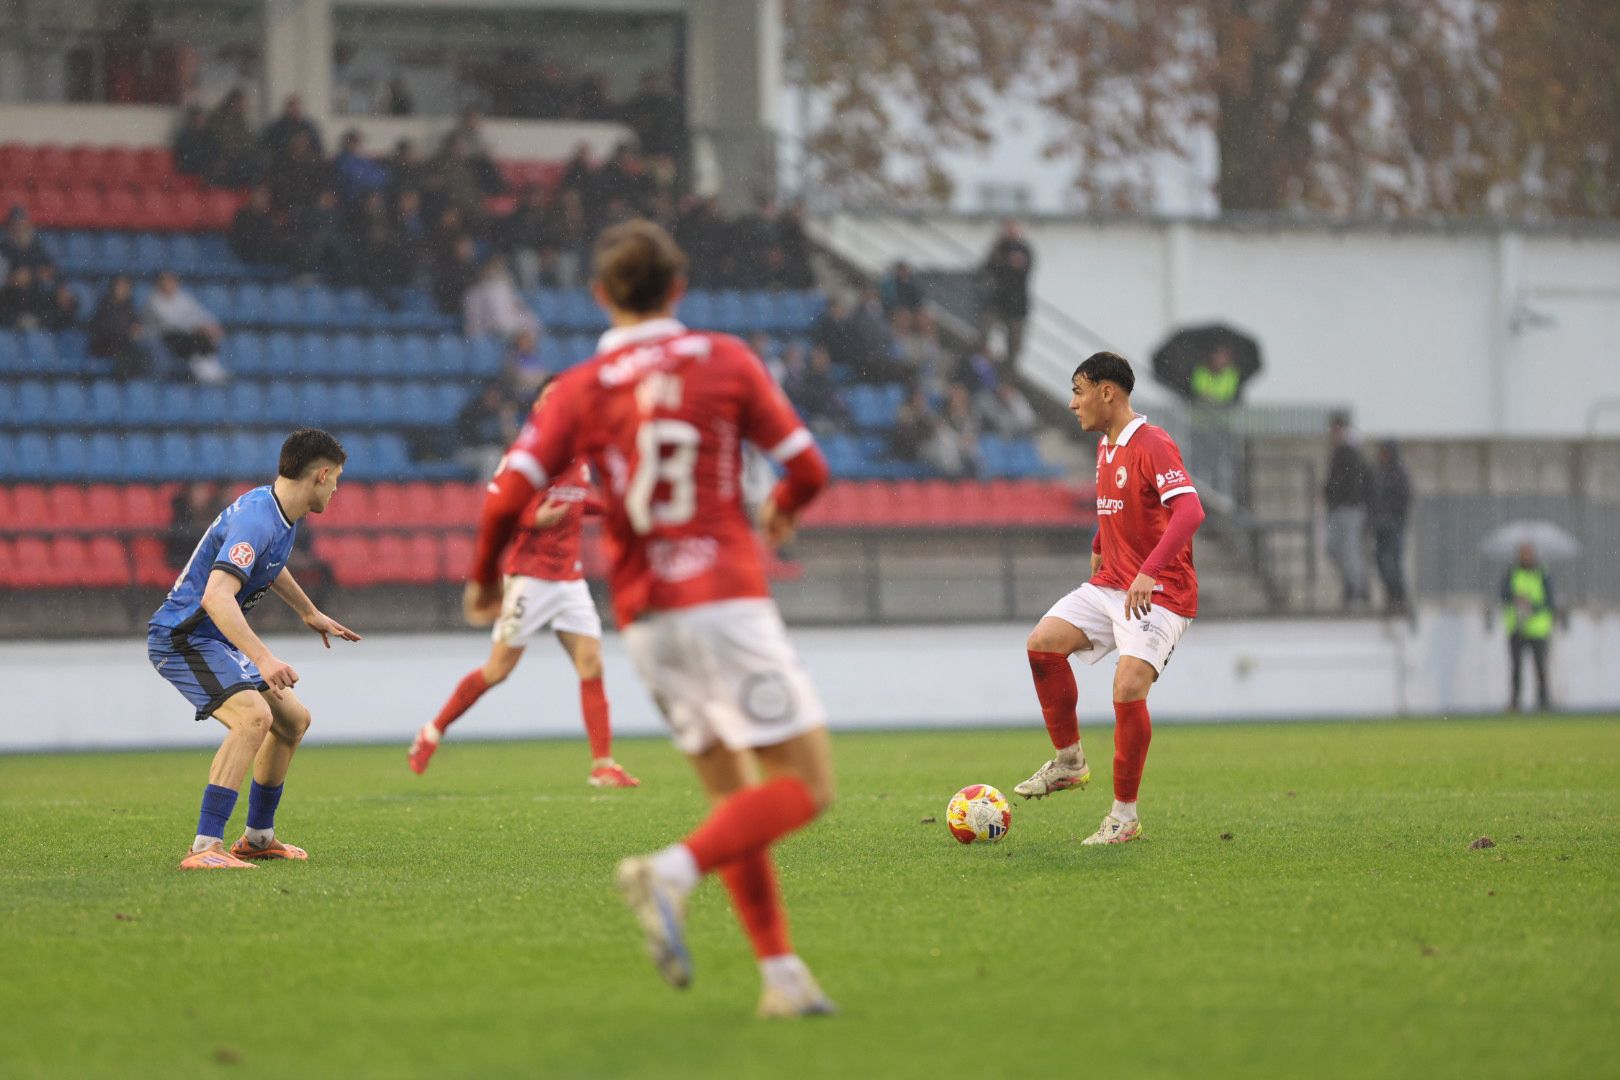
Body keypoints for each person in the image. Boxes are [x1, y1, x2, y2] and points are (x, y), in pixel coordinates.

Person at [464, 220, 836, 1018]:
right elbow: (809, 466)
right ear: (679, 287)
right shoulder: (726, 358)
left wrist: (482, 582)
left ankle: (781, 977)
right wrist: (781, 507)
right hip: (726, 599)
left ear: (600, 295)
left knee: (734, 803)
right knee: (807, 784)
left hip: (647, 619)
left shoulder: (581, 385)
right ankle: (669, 873)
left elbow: (507, 490)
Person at [147, 429, 360, 870]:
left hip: (214, 637)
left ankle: (259, 838)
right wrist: (264, 658)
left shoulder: (277, 513)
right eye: (336, 478)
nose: (337, 488)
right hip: (184, 637)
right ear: (321, 475)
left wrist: (308, 612)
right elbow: (216, 597)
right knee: (254, 717)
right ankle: (205, 847)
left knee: (292, 719)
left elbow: (271, 565)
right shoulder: (258, 519)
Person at [1016, 351, 1206, 846]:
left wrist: (1149, 570)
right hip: (1113, 585)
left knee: (1126, 689)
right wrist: (1100, 545)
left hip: (1159, 593)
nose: (1072, 402)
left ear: (1107, 393)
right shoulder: (1106, 447)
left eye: (1079, 391)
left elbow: (1189, 512)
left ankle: (1124, 817)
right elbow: (1118, 508)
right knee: (1043, 644)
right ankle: (1070, 761)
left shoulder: (1154, 443)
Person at [410, 380, 639, 788]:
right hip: (529, 580)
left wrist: (614, 510)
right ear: (539, 407)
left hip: (569, 580)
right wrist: (535, 520)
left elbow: (578, 498)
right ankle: (432, 731)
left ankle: (603, 764)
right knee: (498, 671)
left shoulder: (580, 458)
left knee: (592, 665)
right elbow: (500, 509)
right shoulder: (524, 457)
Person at [145, 270, 228, 384]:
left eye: (171, 281)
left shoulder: (183, 298)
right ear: (159, 283)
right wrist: (196, 328)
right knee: (193, 339)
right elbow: (169, 322)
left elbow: (198, 313)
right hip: (164, 337)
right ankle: (202, 372)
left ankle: (211, 370)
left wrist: (210, 325)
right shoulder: (154, 300)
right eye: (165, 281)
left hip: (186, 334)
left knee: (203, 338)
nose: (169, 284)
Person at [1323, 413, 1371, 608]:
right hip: (1339, 508)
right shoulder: (1339, 452)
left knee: (1350, 550)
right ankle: (1353, 585)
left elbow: (1351, 482)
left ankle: (1358, 588)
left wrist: (1341, 497)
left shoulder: (1351, 452)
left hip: (1350, 509)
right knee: (1334, 548)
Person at [1502, 543, 1555, 713]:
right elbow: (1503, 594)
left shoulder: (1542, 573)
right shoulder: (1512, 573)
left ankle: (1544, 702)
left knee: (1540, 667)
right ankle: (1515, 702)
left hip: (1538, 628)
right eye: (1523, 554)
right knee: (1516, 668)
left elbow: (1549, 600)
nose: (1525, 557)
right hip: (1517, 627)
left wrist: (1533, 606)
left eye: (1528, 554)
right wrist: (1516, 599)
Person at [1367, 440, 1412, 617]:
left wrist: (1394, 518)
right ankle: (1392, 595)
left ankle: (1398, 596)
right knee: (1380, 561)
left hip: (1394, 526)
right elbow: (1370, 498)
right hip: (1380, 527)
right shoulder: (1377, 473)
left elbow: (1404, 499)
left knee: (1394, 563)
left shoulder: (1399, 474)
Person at [982, 219, 1033, 367]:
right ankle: (986, 361)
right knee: (985, 332)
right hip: (997, 302)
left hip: (1016, 306)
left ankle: (1008, 376)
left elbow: (1023, 268)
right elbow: (988, 267)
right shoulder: (998, 248)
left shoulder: (1024, 249)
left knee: (1014, 346)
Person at [88, 274, 154, 378]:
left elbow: (136, 322)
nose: (124, 290)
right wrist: (127, 332)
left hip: (125, 343)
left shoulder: (129, 306)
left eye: (127, 287)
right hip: (106, 343)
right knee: (127, 351)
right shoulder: (105, 305)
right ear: (113, 287)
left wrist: (136, 329)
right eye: (121, 287)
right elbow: (102, 327)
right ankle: (126, 382)